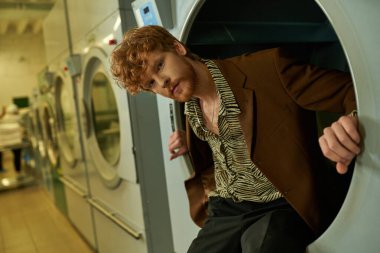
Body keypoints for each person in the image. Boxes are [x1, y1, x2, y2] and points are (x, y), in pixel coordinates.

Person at [110, 25, 361, 253]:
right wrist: (190, 139)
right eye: (151, 83)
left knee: (260, 246)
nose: (162, 82)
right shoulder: (191, 110)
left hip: (282, 201)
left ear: (178, 48)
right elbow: (229, 137)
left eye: (160, 65)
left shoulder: (269, 67)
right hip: (228, 207)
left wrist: (349, 121)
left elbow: (352, 91)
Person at [0, 104, 23, 174]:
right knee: (17, 156)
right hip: (16, 141)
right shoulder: (17, 117)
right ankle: (18, 170)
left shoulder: (3, 118)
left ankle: (1, 169)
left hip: (4, 142)